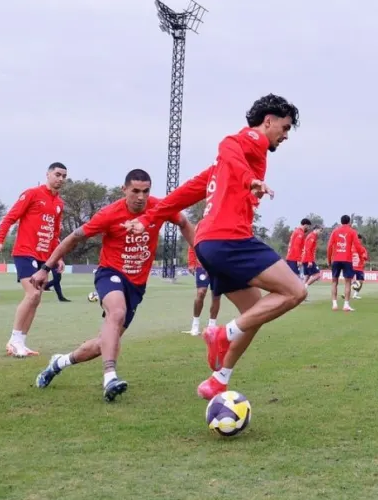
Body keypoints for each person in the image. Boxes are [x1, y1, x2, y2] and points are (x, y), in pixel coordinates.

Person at [124, 94, 306, 399]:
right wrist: (250, 180)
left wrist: (149, 217)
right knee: (295, 291)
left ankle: (219, 379)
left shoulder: (224, 165)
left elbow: (186, 192)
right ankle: (222, 333)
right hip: (228, 238)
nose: (285, 135)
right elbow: (228, 144)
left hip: (209, 244)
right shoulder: (248, 141)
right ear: (269, 120)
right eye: (285, 128)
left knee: (256, 311)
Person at [32, 169, 194, 401]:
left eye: (145, 191)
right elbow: (74, 238)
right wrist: (45, 268)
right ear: (124, 189)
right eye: (135, 191)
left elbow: (184, 222)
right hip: (110, 273)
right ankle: (110, 377)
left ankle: (58, 363)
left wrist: (202, 254)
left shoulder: (159, 207)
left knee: (103, 343)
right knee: (116, 312)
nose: (141, 196)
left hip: (137, 285)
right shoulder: (109, 214)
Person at [0, 163, 69, 358]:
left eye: (64, 176)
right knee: (33, 294)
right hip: (25, 252)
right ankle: (13, 340)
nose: (60, 179)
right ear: (48, 174)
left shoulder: (60, 204)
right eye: (57, 174)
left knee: (36, 299)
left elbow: (55, 233)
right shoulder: (32, 194)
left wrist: (58, 257)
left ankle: (21, 342)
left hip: (45, 258)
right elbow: (11, 217)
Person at [328, 215, 365, 312]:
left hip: (336, 259)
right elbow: (357, 245)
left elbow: (329, 246)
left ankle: (334, 304)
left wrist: (329, 259)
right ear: (349, 222)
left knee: (334, 281)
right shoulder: (352, 231)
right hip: (347, 259)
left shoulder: (335, 231)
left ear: (341, 222)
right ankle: (346, 305)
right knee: (348, 282)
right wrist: (362, 256)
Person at [185, 243, 220, 336]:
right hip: (201, 267)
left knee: (216, 295)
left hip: (217, 267)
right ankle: (195, 325)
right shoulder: (199, 229)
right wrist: (192, 263)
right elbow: (192, 245)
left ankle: (212, 326)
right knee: (201, 293)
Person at [301, 224, 323, 293]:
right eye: (320, 230)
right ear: (316, 229)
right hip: (308, 259)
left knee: (306, 276)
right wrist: (310, 261)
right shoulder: (312, 236)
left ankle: (300, 293)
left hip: (305, 259)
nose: (320, 232)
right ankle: (304, 288)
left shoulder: (313, 236)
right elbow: (308, 249)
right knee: (317, 275)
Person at [351, 233, 368, 300]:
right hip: (351, 267)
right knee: (350, 281)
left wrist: (364, 256)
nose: (358, 241)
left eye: (359, 240)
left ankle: (355, 295)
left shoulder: (363, 249)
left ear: (361, 240)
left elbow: (365, 257)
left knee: (360, 282)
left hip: (360, 268)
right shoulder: (350, 248)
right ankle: (347, 293)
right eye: (357, 240)